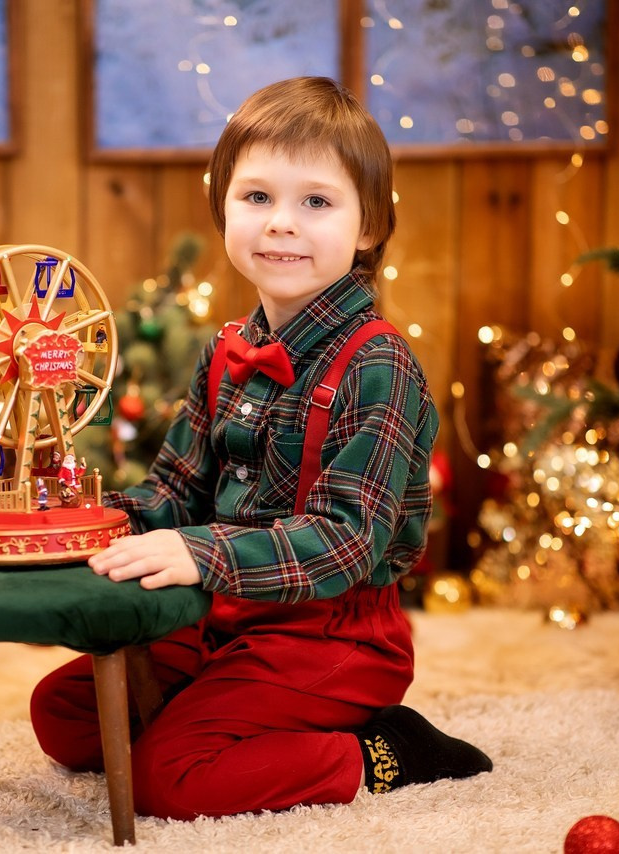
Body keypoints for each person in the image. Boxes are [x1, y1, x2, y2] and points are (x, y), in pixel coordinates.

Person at [30, 77, 491, 820]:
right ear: (223, 210)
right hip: (222, 614)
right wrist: (84, 520)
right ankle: (226, 707)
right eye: (256, 199)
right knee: (65, 714)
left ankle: (382, 751)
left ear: (368, 225)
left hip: (334, 635)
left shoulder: (378, 365)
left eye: (316, 202)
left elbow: (348, 540)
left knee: (165, 779)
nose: (281, 224)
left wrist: (201, 555)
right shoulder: (227, 351)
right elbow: (173, 494)